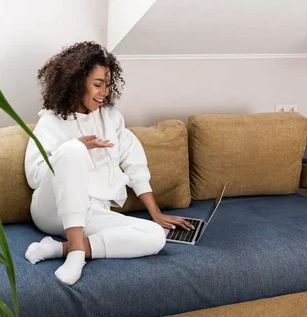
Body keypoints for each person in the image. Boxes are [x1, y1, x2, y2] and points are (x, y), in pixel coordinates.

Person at [24, 41, 194, 286]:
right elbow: (35, 177)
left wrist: (155, 213)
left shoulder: (112, 120)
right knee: (73, 149)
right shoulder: (51, 122)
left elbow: (134, 163)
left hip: (92, 213)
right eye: (97, 84)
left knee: (156, 237)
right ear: (76, 82)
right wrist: (75, 149)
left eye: (107, 85)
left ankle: (59, 249)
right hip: (52, 211)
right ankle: (75, 254)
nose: (104, 92)